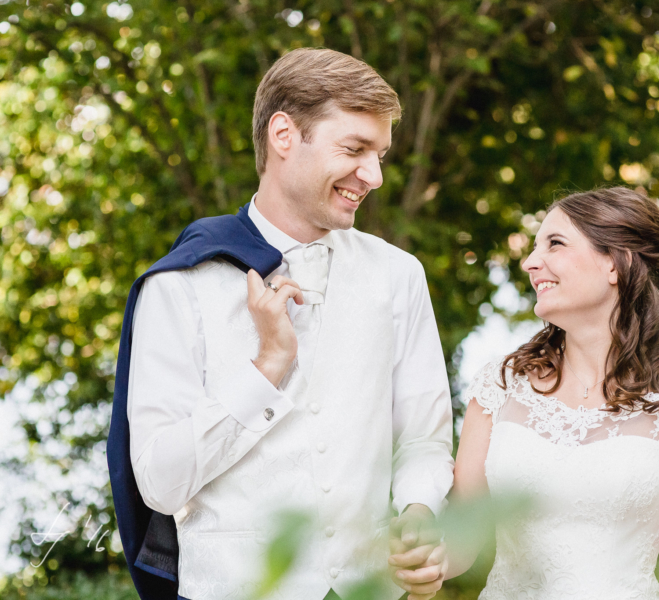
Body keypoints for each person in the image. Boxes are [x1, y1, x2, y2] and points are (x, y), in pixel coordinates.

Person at [108, 48, 454, 600]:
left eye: (381, 154)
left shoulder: (398, 275)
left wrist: (418, 511)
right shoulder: (179, 286)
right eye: (355, 149)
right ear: (284, 135)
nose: (375, 176)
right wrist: (266, 370)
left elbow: (423, 439)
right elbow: (159, 484)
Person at [422, 188, 659, 599]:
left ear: (615, 263)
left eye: (555, 243)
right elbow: (462, 541)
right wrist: (420, 557)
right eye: (535, 247)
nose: (531, 263)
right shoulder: (500, 385)